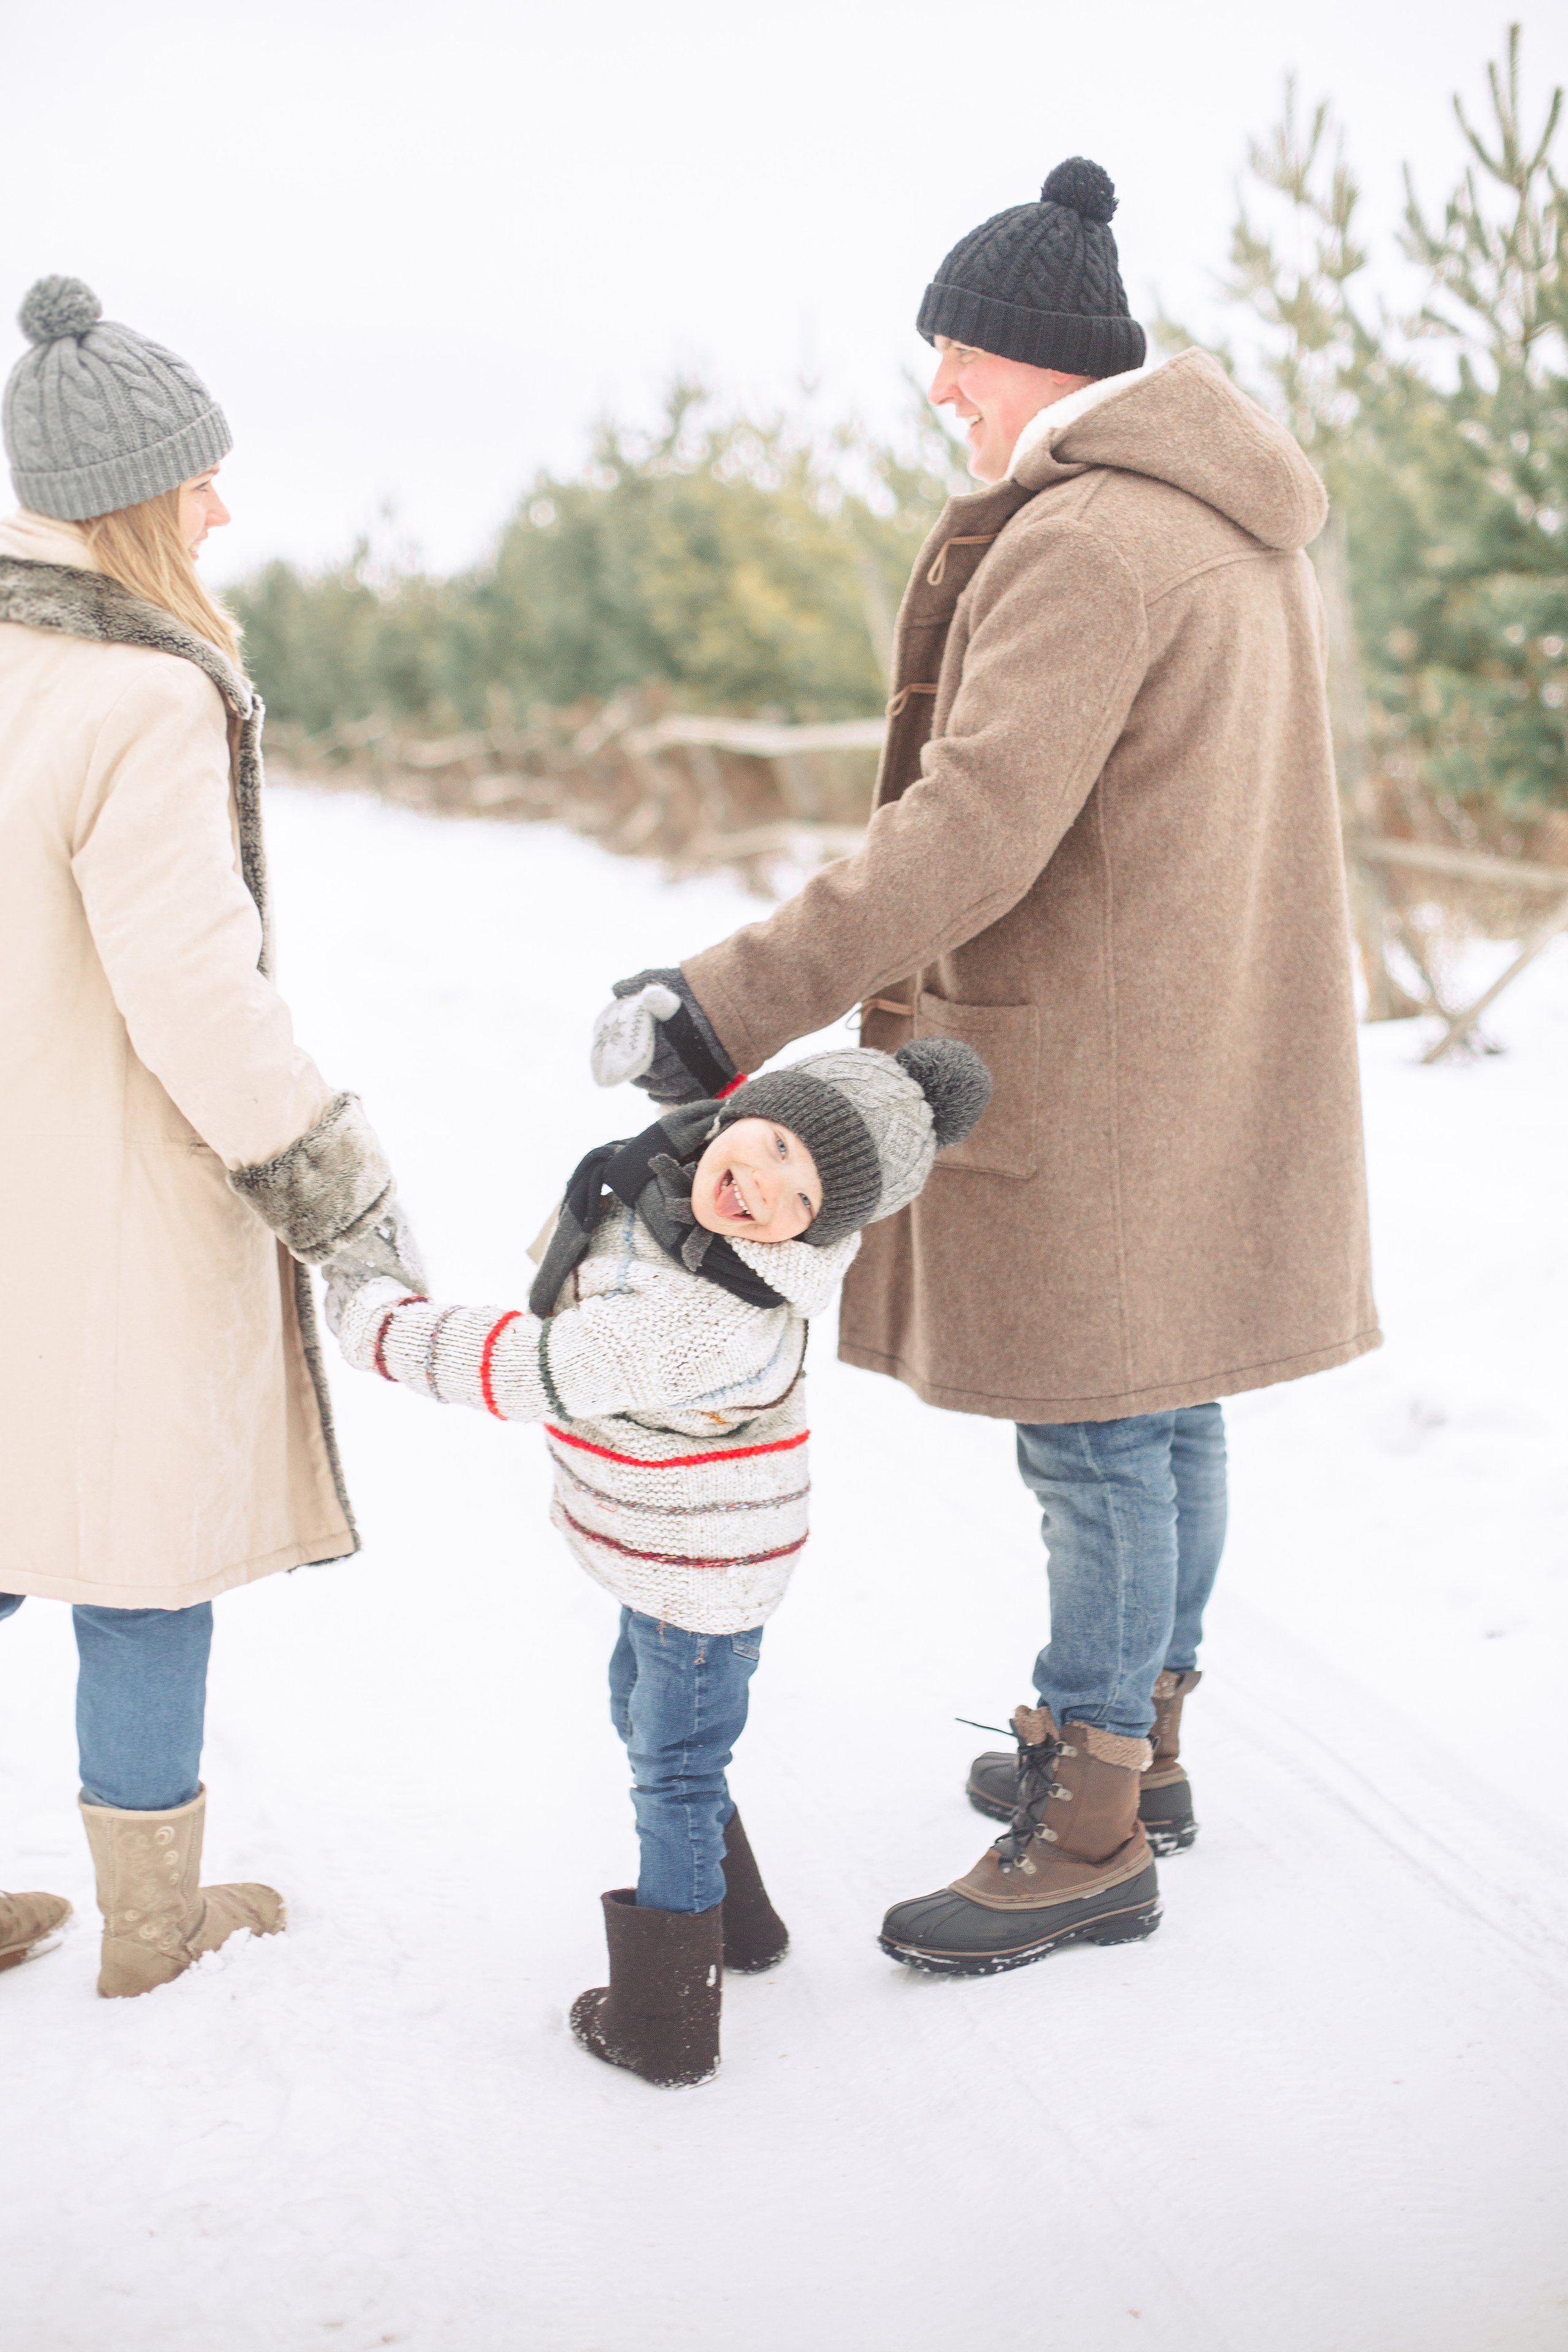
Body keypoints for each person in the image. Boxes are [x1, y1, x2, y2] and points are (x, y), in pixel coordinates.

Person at [587, 157, 1380, 1977]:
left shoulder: (1091, 536)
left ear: (1039, 357)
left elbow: (971, 829)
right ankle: (1140, 1746)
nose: (940, 385)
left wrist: (726, 1003)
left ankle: (1089, 1825)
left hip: (1090, 1060)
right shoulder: (1223, 520)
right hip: (1193, 1033)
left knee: (1095, 1435)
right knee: (1166, 1404)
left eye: (959, 353)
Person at [0, 278, 422, 1997]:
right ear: (131, 504)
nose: (222, 510)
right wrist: (333, 1183)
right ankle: (153, 1929)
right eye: (199, 481)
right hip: (103, 1208)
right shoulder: (142, 696)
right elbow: (197, 999)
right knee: (138, 1551)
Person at [326, 1035, 990, 2083]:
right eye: (774, 1143)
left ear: (822, 1229)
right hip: (675, 1556)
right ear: (741, 1112)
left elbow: (534, 1367)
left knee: (675, 1767)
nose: (763, 1185)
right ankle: (738, 1925)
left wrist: (377, 1321)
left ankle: (666, 2023)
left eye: (803, 1196)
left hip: (702, 1572)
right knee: (648, 1720)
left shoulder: (703, 1313)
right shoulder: (685, 1192)